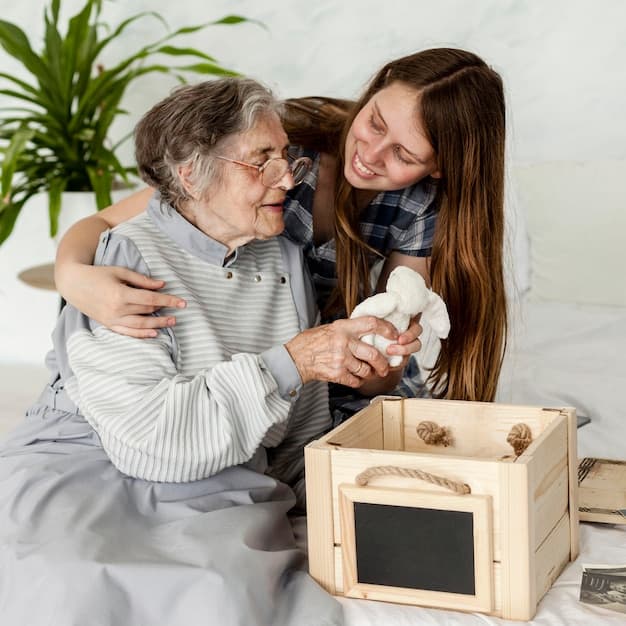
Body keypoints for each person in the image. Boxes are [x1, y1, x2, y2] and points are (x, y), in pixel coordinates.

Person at [0, 77, 408, 625]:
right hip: (92, 457)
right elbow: (149, 443)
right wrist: (293, 360)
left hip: (224, 475)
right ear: (191, 173)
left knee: (223, 596)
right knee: (64, 579)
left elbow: (298, 429)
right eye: (260, 160)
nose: (288, 177)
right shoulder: (128, 258)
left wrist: (367, 484)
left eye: (286, 157)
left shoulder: (282, 258)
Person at [55, 47, 507, 414]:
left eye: (404, 155)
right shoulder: (284, 148)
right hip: (248, 361)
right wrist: (71, 276)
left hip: (325, 379)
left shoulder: (421, 208)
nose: (370, 154)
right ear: (377, 86)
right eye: (374, 123)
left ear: (442, 168)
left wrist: (377, 362)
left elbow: (387, 359)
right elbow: (115, 221)